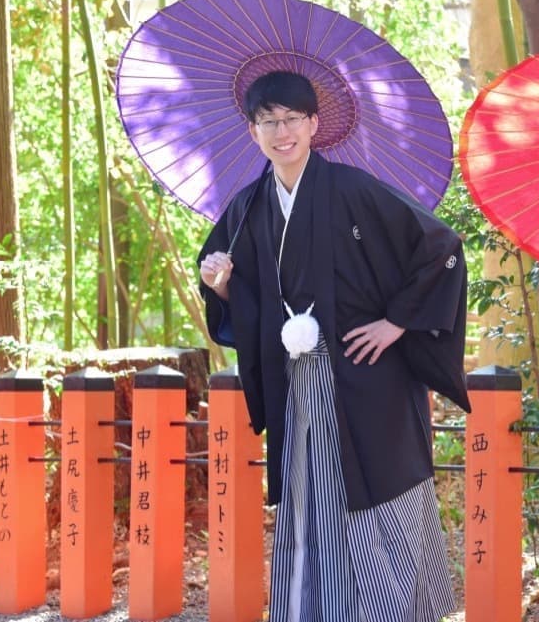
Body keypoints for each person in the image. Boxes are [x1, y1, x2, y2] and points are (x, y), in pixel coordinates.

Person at [197, 70, 469, 622]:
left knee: (378, 502)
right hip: (298, 383)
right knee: (306, 501)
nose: (281, 132)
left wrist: (396, 323)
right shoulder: (248, 207)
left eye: (292, 119)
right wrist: (222, 285)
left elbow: (441, 247)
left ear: (314, 124)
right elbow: (244, 301)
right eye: (267, 122)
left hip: (369, 380)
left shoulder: (354, 189)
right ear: (253, 131)